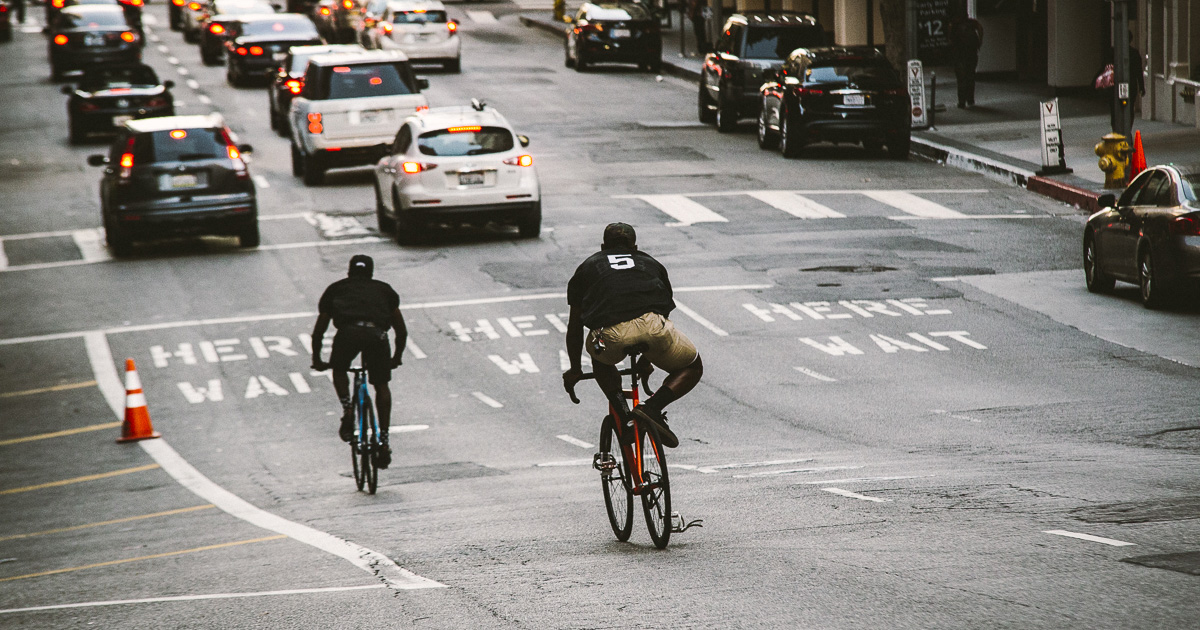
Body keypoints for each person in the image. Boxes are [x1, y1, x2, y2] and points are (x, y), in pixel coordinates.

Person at [562, 223, 703, 448]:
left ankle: (624, 417)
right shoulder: (651, 263)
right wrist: (647, 359)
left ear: (603, 246)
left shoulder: (587, 267)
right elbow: (662, 311)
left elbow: (575, 325)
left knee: (601, 360)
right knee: (693, 366)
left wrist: (575, 369)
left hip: (610, 335)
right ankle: (652, 408)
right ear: (635, 247)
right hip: (653, 327)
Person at [311, 254, 407, 468]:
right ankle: (383, 438)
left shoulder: (335, 289)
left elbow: (319, 331)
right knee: (381, 386)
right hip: (376, 335)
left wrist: (317, 358)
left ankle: (347, 407)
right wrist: (396, 357)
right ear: (371, 272)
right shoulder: (384, 290)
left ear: (349, 271)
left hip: (348, 335)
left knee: (339, 370)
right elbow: (401, 331)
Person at [949, 9, 983, 109]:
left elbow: (950, 39)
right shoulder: (973, 23)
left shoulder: (954, 25)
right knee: (971, 76)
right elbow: (981, 29)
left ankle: (961, 101)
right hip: (972, 53)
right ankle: (970, 99)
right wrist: (979, 43)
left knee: (961, 78)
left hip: (959, 54)